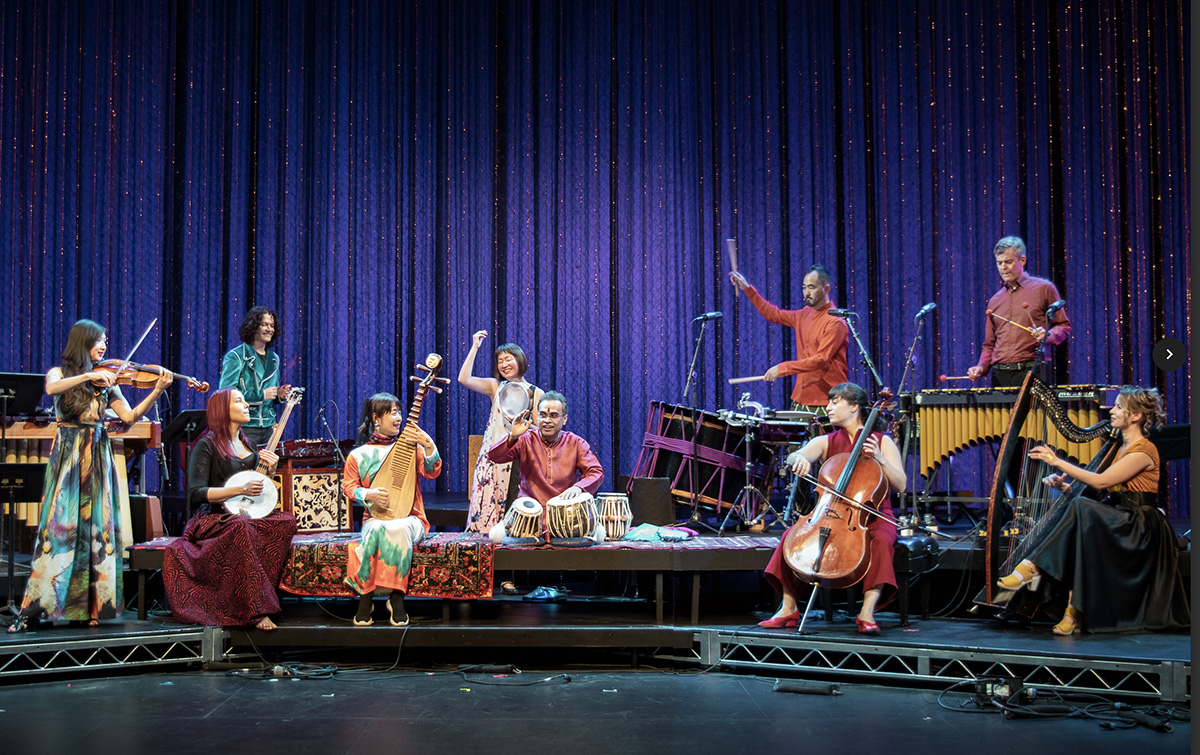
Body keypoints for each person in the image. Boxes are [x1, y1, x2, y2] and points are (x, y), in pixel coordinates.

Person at [8, 319, 173, 632]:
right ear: (82, 342)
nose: (104, 346)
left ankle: (91, 606)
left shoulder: (109, 382)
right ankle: (42, 605)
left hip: (97, 455)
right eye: (99, 340)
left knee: (97, 528)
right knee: (61, 527)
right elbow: (51, 388)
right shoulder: (61, 373)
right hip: (69, 456)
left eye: (106, 341)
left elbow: (129, 416)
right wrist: (88, 375)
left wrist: (156, 390)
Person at [996, 386, 1189, 634]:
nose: (1112, 411)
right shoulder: (1118, 448)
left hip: (1139, 524)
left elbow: (1100, 482)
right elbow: (1105, 491)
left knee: (1081, 509)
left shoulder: (1144, 450)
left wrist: (1057, 461)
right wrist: (1064, 487)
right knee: (1080, 522)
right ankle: (1072, 612)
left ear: (1136, 416)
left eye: (1119, 407)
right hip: (1120, 515)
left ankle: (1032, 568)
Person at [759, 382, 905, 635]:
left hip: (874, 516)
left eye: (835, 402)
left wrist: (880, 459)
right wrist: (799, 459)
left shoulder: (882, 442)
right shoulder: (826, 441)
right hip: (830, 514)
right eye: (829, 402)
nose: (828, 407)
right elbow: (795, 456)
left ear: (854, 407)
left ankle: (866, 612)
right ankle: (788, 609)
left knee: (881, 541)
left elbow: (901, 484)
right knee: (791, 536)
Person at [162, 388, 298, 631]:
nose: (246, 405)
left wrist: (270, 470)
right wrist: (238, 490)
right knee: (242, 527)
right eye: (239, 401)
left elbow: (256, 487)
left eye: (245, 400)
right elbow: (195, 493)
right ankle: (255, 609)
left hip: (243, 515)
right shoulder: (206, 445)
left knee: (285, 522)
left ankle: (265, 594)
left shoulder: (249, 445)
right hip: (214, 518)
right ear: (222, 410)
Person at [343, 392, 441, 627]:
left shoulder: (410, 449)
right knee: (377, 528)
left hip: (412, 518)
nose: (398, 418)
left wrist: (428, 444)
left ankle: (395, 598)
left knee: (398, 528)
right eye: (392, 413)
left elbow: (432, 472)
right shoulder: (358, 455)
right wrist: (369, 494)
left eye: (399, 412)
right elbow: (348, 487)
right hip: (375, 518)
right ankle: (368, 598)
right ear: (376, 418)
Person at [729, 265, 848, 415]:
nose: (806, 292)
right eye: (804, 287)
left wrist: (782, 368)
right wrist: (747, 289)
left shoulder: (835, 322)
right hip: (800, 398)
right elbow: (774, 314)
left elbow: (820, 360)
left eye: (811, 287)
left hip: (827, 401)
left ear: (826, 289)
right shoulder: (804, 314)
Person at [458, 331, 543, 533]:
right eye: (500, 361)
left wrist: (522, 428)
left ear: (520, 360)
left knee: (513, 514)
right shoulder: (495, 386)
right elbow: (464, 378)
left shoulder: (535, 392)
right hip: (492, 457)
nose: (504, 364)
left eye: (508, 359)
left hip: (518, 461)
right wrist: (475, 347)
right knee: (486, 509)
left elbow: (540, 431)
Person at [967, 236, 1071, 387]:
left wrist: (1047, 335)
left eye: (1008, 262)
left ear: (1022, 260)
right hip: (1000, 374)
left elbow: (1064, 326)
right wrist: (981, 367)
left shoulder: (1044, 288)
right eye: (999, 263)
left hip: (1032, 369)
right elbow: (989, 345)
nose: (1003, 267)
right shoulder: (995, 300)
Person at [487, 390, 604, 514]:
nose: (547, 420)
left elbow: (595, 472)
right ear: (537, 418)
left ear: (564, 419)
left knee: (596, 527)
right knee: (500, 529)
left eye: (554, 416)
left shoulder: (576, 443)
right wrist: (512, 436)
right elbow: (494, 456)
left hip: (564, 512)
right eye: (543, 415)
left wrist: (579, 487)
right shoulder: (525, 439)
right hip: (529, 512)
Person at [219, 306, 292, 447]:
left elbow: (270, 396)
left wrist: (279, 395)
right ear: (253, 326)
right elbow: (226, 393)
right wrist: (261, 395)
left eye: (272, 325)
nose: (269, 329)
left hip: (268, 427)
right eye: (264, 324)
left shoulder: (274, 358)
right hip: (245, 426)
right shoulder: (236, 356)